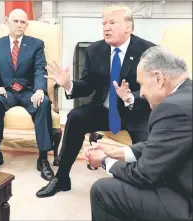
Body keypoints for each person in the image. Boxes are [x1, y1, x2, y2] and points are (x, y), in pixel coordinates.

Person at [36, 5, 156, 197]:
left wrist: (131, 96)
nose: (106, 28)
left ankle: (142, 187)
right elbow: (88, 84)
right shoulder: (95, 50)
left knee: (147, 150)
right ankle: (62, 178)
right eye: (104, 23)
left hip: (136, 112)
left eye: (112, 23)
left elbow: (155, 88)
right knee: (76, 117)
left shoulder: (147, 50)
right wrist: (69, 85)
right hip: (106, 110)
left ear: (129, 27)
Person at [86, 46, 192, 221]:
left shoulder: (172, 108)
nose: (141, 93)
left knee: (104, 191)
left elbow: (145, 175)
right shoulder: (186, 96)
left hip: (187, 202)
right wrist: (117, 152)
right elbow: (163, 144)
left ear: (158, 79)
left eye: (141, 84)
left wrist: (105, 161)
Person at [0, 9, 54, 181]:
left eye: (23, 22)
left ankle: (43, 159)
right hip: (6, 91)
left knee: (43, 103)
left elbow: (39, 69)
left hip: (29, 91)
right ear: (8, 21)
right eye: (16, 21)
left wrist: (39, 89)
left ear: (26, 25)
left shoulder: (36, 44)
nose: (19, 25)